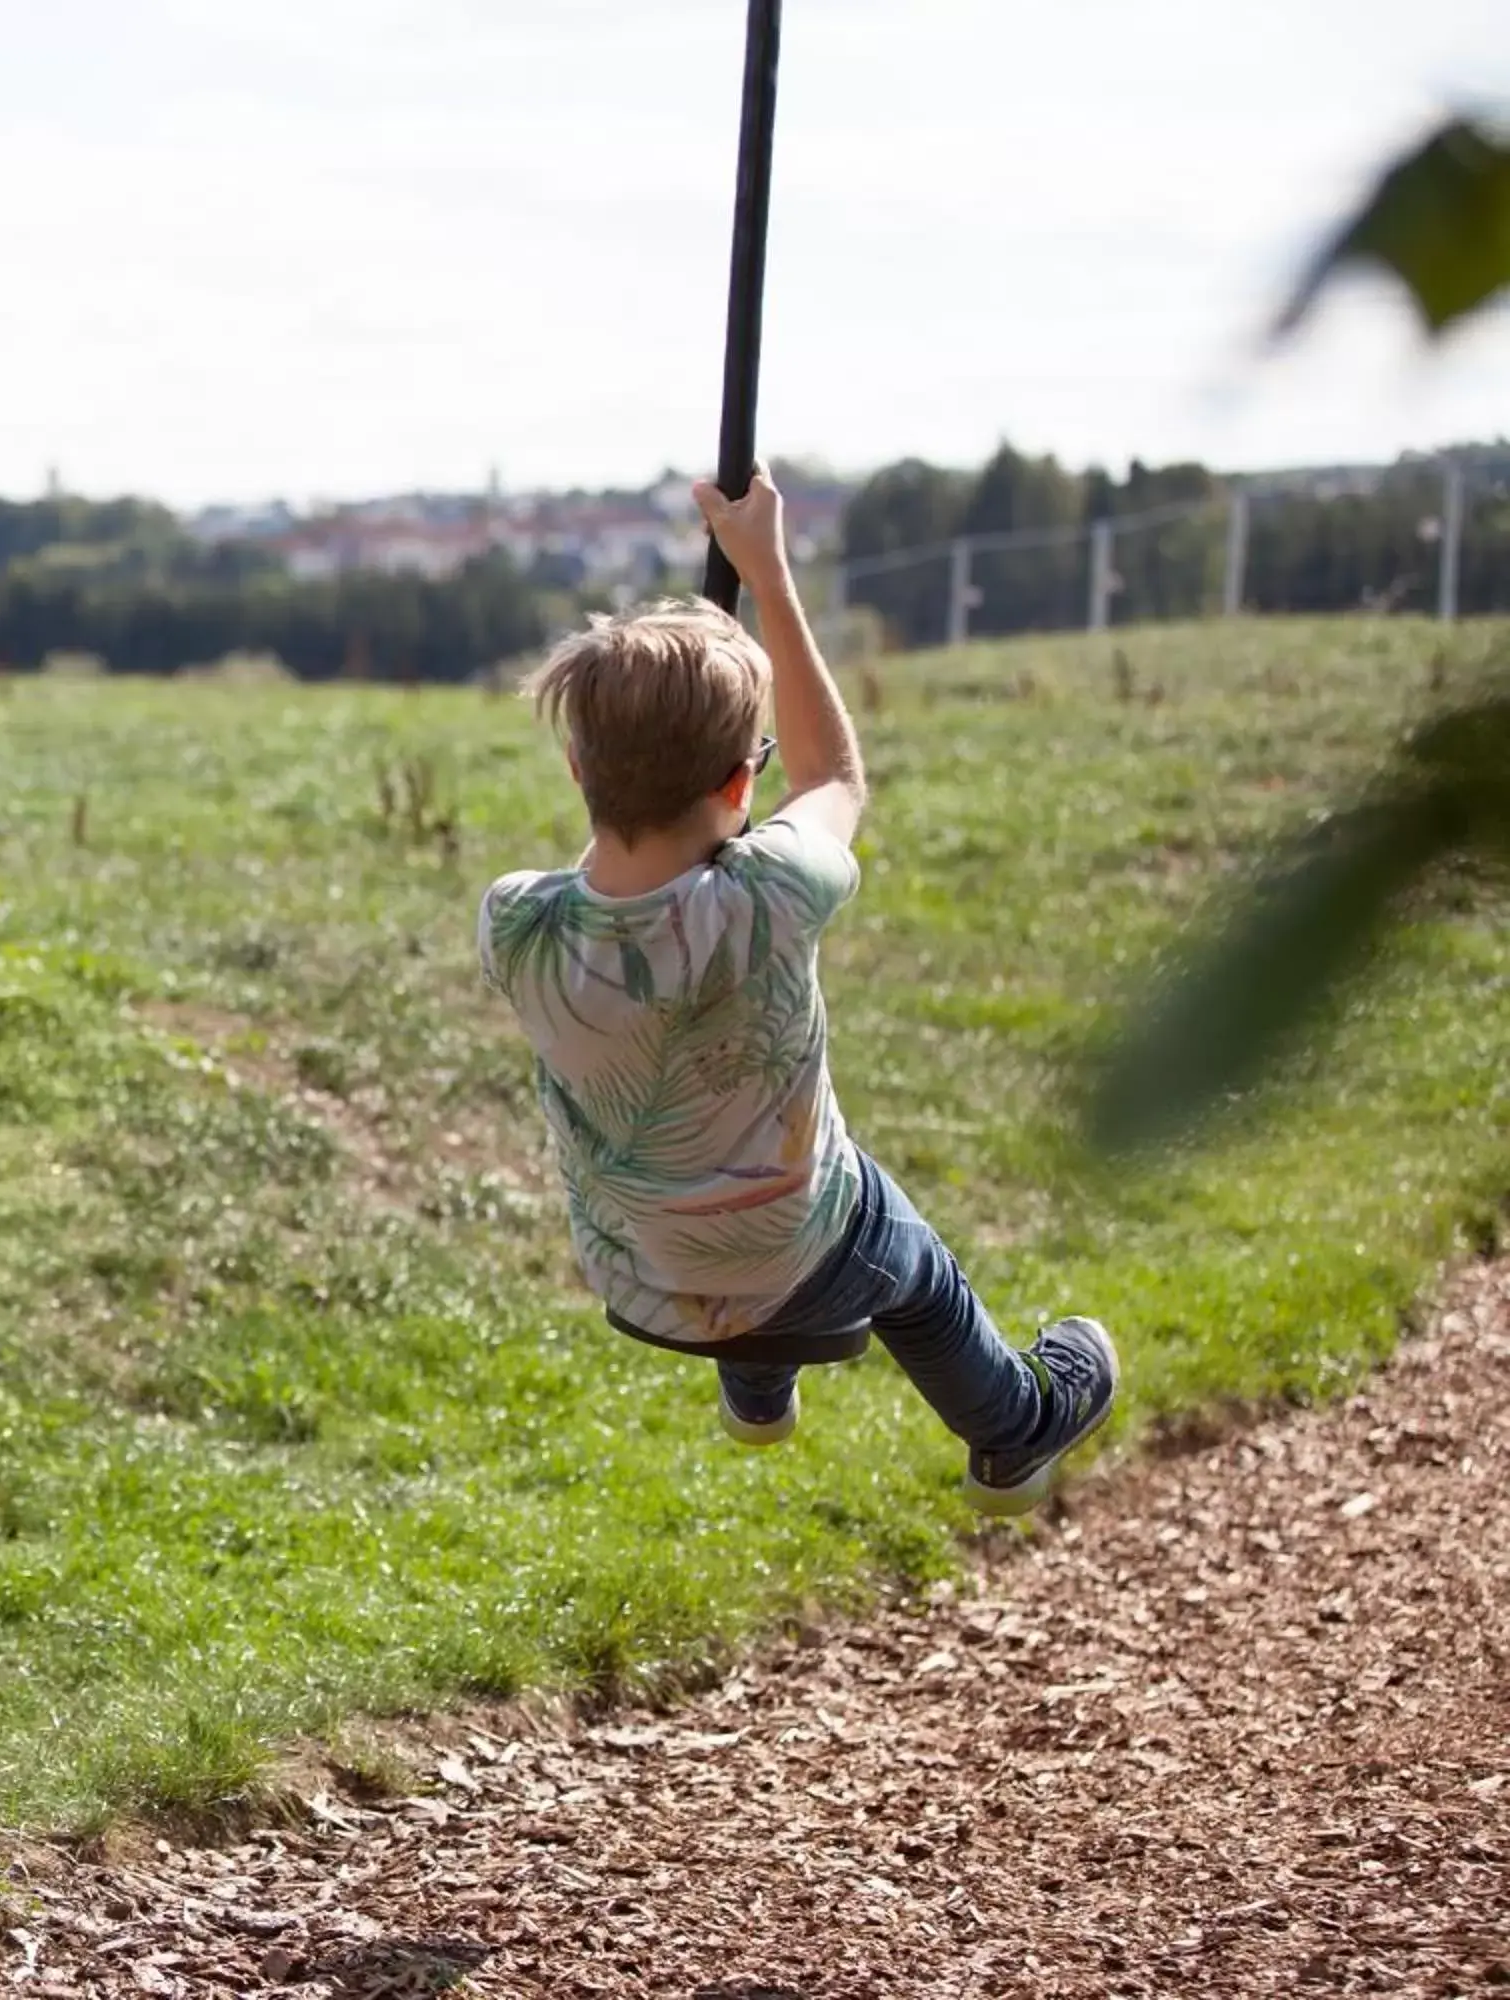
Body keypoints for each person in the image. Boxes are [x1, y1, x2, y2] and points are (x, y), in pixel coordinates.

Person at [475, 465, 1115, 1515]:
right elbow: (838, 781)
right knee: (897, 1245)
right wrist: (766, 565)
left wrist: (674, 756)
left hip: (639, 1272)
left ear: (579, 772)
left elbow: (624, 856)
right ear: (740, 783)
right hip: (798, 1254)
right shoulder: (769, 890)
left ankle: (758, 1393)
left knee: (716, 1151)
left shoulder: (516, 918)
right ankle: (1015, 1427)